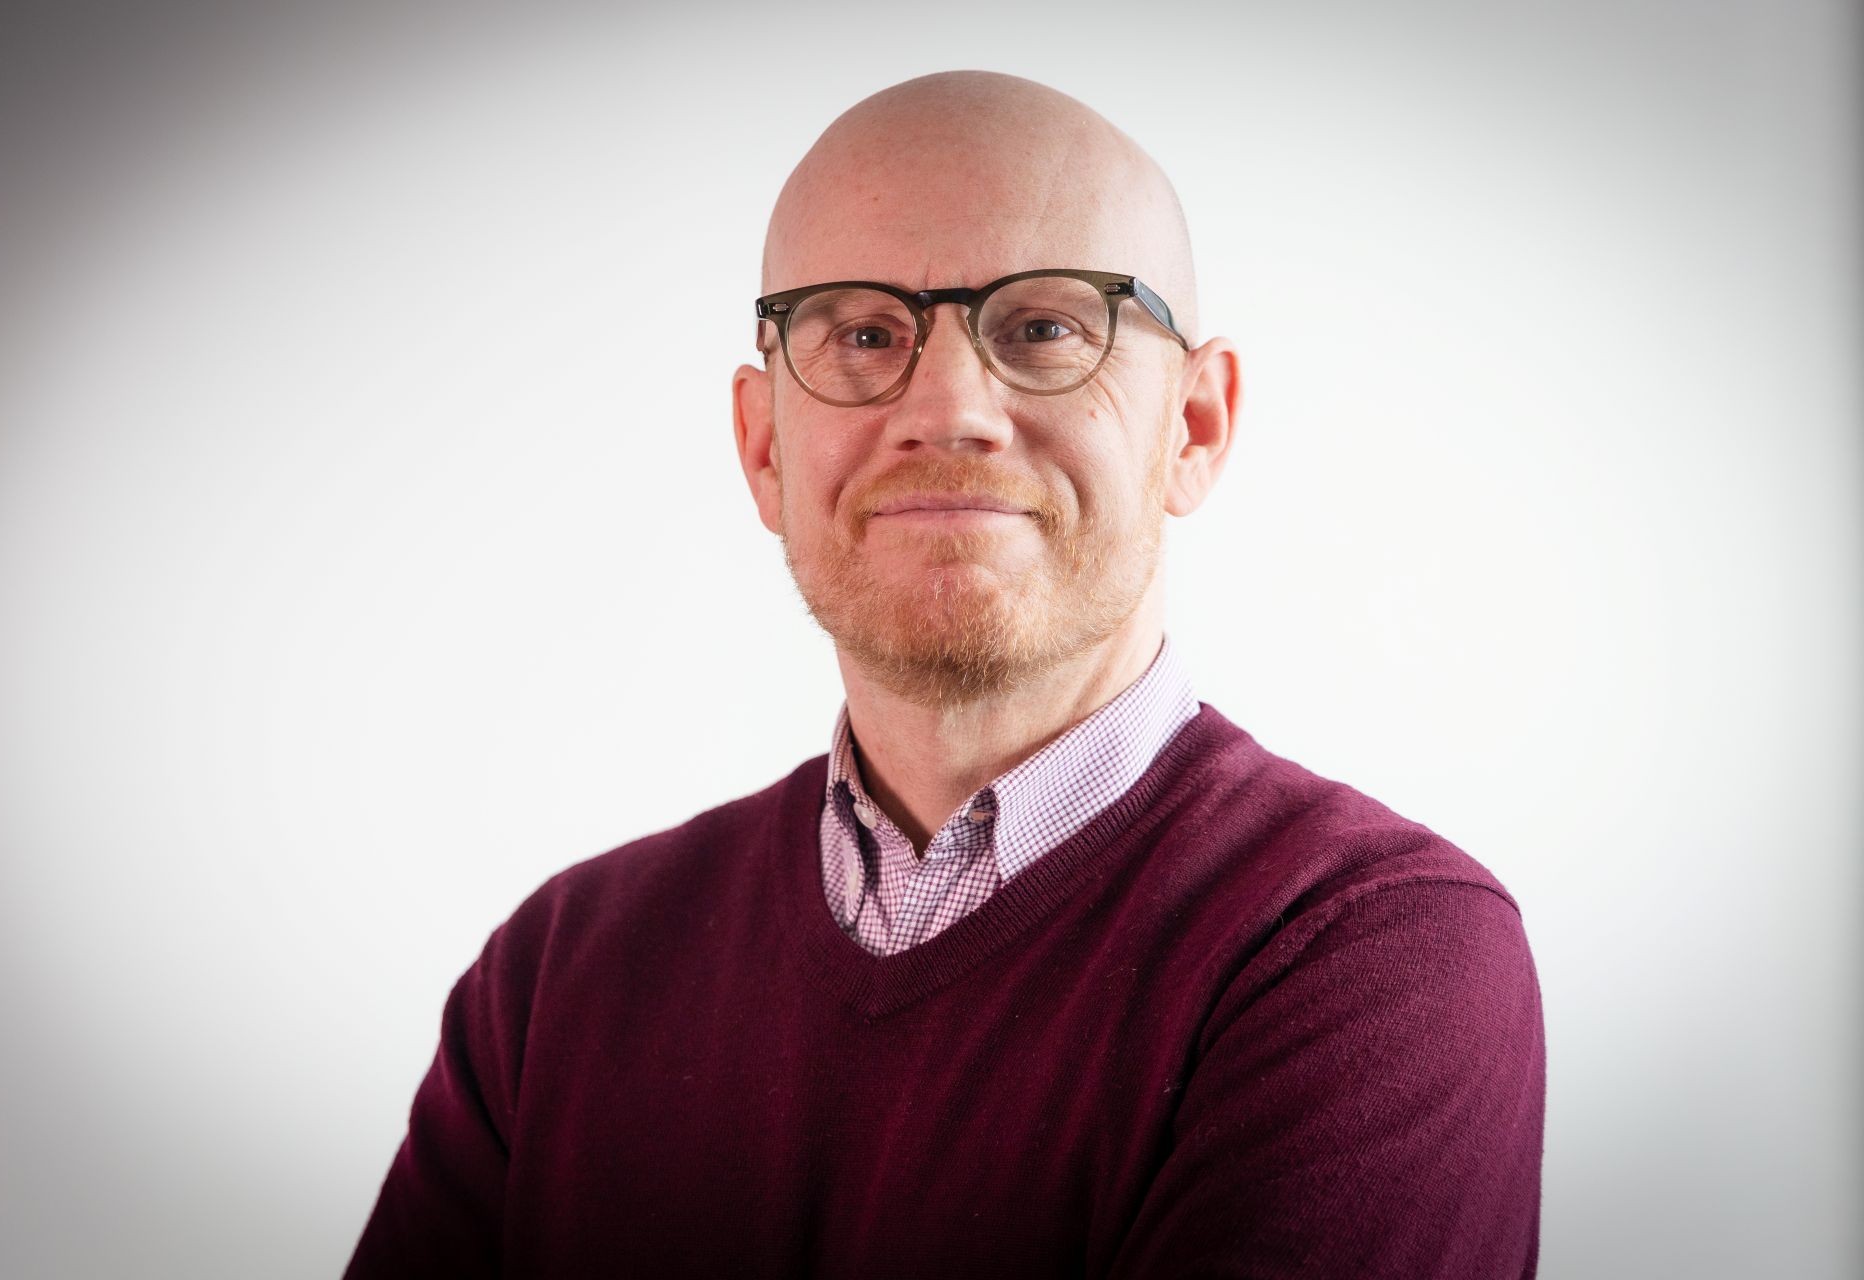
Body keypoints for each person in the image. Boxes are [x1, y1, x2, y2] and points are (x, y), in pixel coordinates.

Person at [344, 70, 1546, 1278]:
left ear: (1194, 425)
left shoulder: (1369, 957)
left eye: (1043, 329)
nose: (950, 409)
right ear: (765, 448)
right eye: (863, 333)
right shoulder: (558, 977)